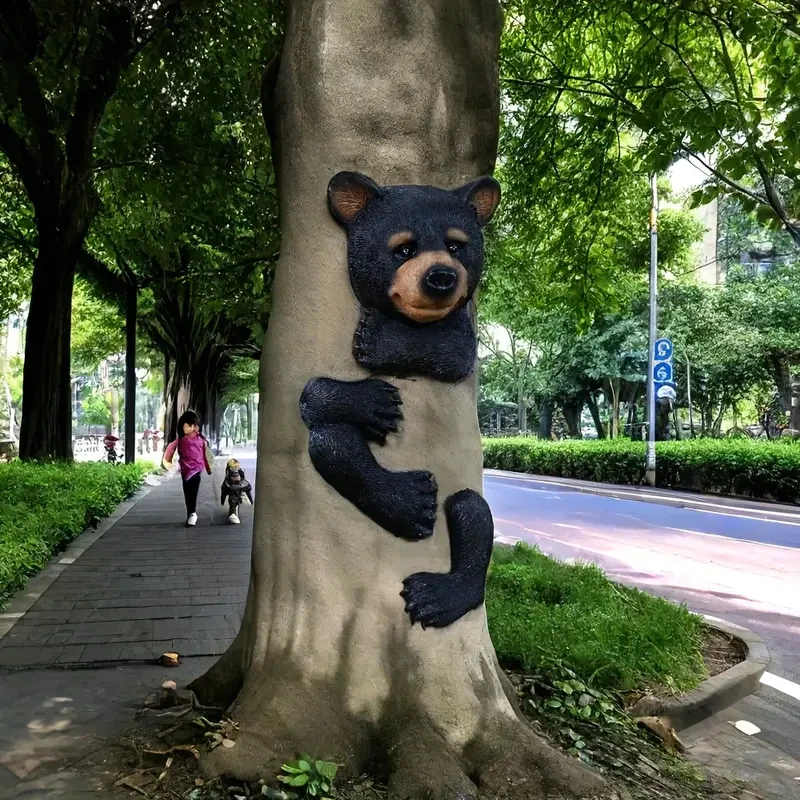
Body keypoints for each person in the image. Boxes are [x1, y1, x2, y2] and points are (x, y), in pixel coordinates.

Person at [162, 411, 213, 527]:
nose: (185, 428)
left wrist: (208, 468)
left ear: (195, 426)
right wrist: (170, 465)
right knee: (187, 493)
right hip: (185, 471)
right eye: (184, 425)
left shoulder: (201, 441)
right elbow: (169, 451)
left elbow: (206, 455)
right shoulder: (180, 440)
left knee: (193, 492)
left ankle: (192, 513)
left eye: (188, 425)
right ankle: (190, 513)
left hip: (196, 470)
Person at [220, 458, 254, 524]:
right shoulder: (237, 473)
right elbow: (247, 488)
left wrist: (222, 499)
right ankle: (233, 513)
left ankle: (233, 512)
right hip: (233, 487)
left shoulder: (238, 473)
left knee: (234, 498)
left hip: (236, 487)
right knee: (233, 499)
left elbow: (223, 491)